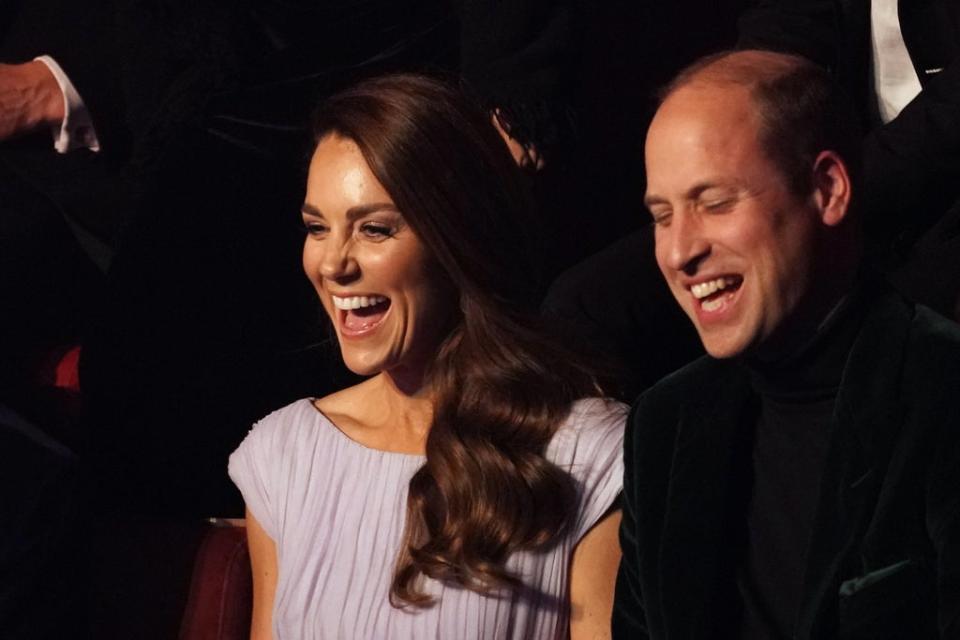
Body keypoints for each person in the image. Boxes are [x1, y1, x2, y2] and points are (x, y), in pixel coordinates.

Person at [228, 74, 625, 639]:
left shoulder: (589, 454)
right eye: (318, 228)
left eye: (374, 228)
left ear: (456, 238)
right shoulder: (284, 456)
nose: (334, 263)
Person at [613, 50, 960, 639]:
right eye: (662, 216)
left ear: (827, 189)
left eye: (714, 203)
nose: (678, 252)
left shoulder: (942, 394)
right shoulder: (665, 425)